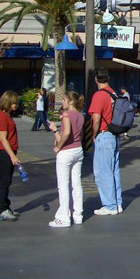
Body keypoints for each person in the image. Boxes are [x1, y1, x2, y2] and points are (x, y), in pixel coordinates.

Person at [88, 68, 123, 215]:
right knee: (114, 171)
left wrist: (93, 135)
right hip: (115, 134)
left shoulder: (99, 95)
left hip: (104, 134)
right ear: (108, 78)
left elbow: (96, 119)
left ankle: (109, 205)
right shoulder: (113, 94)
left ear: (96, 79)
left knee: (103, 172)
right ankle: (117, 203)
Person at [49, 91, 85, 228]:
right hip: (77, 150)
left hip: (66, 153)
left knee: (63, 185)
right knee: (76, 183)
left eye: (64, 99)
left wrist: (57, 142)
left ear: (71, 101)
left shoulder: (66, 114)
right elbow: (77, 136)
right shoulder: (80, 116)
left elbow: (66, 133)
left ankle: (63, 217)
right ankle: (78, 214)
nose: (62, 102)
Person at [0, 90, 20, 222]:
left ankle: (5, 206)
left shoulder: (7, 116)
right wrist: (12, 156)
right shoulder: (1, 117)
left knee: (6, 181)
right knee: (3, 181)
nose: (15, 105)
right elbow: (3, 138)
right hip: (2, 152)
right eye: (13, 103)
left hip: (7, 151)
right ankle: (2, 209)